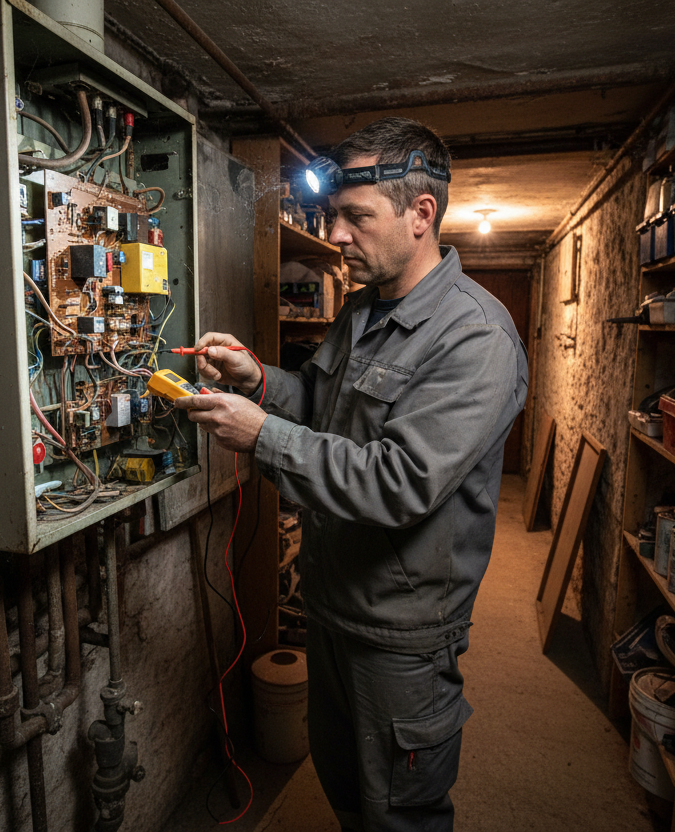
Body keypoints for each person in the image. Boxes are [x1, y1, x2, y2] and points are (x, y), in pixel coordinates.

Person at [173, 117, 528, 832]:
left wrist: (261, 435)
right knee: (344, 786)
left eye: (354, 217)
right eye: (332, 216)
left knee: (400, 812)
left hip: (400, 632)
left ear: (421, 214)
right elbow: (326, 408)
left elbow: (395, 482)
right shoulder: (364, 309)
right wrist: (260, 381)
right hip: (334, 608)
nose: (335, 235)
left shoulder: (475, 338)